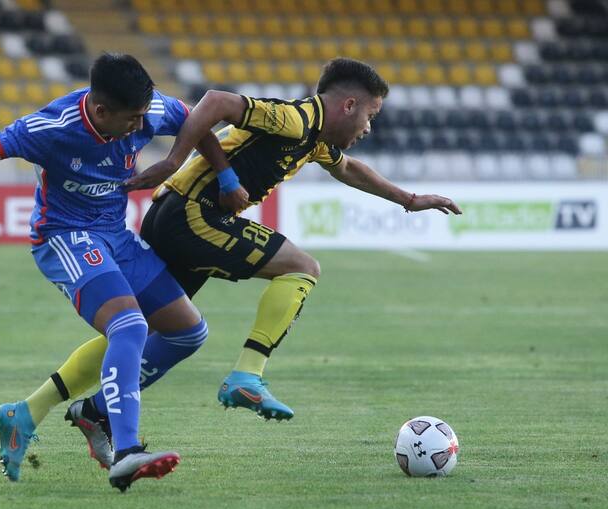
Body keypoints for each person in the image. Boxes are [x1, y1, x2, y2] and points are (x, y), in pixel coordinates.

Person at [52, 58, 462, 460]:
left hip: (172, 213)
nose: (368, 127)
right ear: (348, 105)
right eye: (370, 115)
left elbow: (349, 169)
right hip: (192, 214)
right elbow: (215, 101)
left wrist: (410, 200)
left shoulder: (315, 139)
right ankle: (247, 375)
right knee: (303, 267)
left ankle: (51, 409)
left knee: (140, 328)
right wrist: (181, 163)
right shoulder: (294, 120)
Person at [0, 53, 221, 491]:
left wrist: (218, 175)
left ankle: (90, 412)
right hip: (65, 236)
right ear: (100, 111)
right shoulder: (52, 127)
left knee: (188, 332)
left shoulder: (146, 109)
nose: (141, 127)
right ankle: (127, 450)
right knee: (129, 325)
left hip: (115, 234)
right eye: (132, 120)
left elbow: (197, 122)